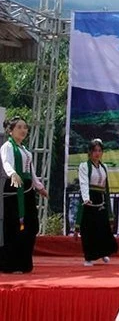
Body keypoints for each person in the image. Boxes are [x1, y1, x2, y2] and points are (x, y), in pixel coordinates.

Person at [0, 116, 48, 273]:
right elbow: (6, 162)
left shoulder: (25, 150)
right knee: (15, 225)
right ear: (11, 130)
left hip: (27, 188)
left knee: (31, 224)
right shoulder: (7, 146)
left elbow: (31, 171)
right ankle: (11, 263)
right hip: (15, 186)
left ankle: (24, 262)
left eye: (25, 127)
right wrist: (13, 173)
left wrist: (39, 187)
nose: (23, 130)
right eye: (19, 127)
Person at [75, 139, 118, 266]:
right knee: (89, 229)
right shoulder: (84, 166)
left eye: (99, 151)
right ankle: (88, 257)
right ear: (89, 152)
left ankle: (103, 252)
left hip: (101, 199)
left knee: (103, 228)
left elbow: (106, 188)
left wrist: (108, 206)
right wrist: (86, 198)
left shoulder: (104, 167)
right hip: (89, 199)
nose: (97, 153)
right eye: (94, 151)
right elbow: (83, 183)